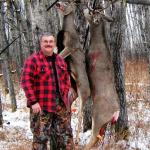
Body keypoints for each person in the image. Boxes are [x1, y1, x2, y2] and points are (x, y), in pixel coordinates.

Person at [21, 32, 76, 150]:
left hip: (60, 105)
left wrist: (66, 96)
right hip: (41, 105)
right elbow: (25, 82)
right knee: (40, 139)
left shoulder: (60, 60)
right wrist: (33, 102)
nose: (48, 44)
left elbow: (66, 79)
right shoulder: (33, 60)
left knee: (66, 137)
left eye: (51, 41)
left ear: (54, 44)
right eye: (45, 41)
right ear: (41, 43)